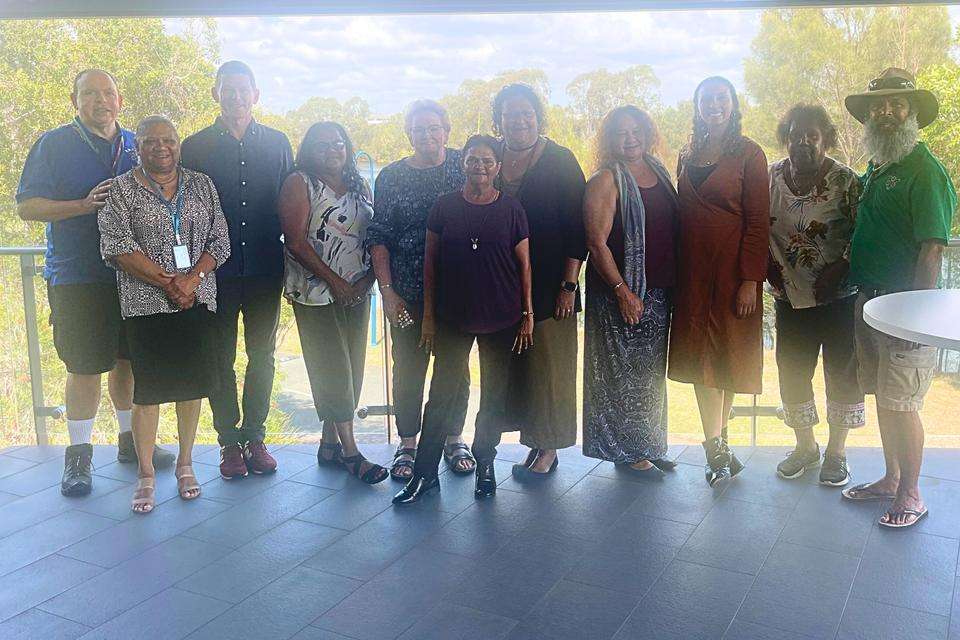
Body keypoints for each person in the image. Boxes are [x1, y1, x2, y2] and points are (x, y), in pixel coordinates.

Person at [16, 69, 174, 497]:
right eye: (90, 94)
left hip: (133, 276)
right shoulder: (54, 144)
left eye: (108, 93)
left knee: (128, 363)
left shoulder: (135, 146)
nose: (100, 101)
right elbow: (27, 207)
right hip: (78, 276)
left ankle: (129, 442)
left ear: (120, 101)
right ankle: (79, 458)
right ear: (75, 99)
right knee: (84, 368)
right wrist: (83, 206)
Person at [840, 68, 955, 529]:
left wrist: (917, 318)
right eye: (878, 106)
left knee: (904, 404)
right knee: (886, 400)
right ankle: (890, 479)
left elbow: (932, 249)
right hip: (871, 305)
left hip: (906, 313)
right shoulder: (880, 166)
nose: (886, 112)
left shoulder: (926, 171)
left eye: (897, 105)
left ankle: (911, 492)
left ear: (913, 114)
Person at [98, 115, 230, 513]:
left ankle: (186, 464)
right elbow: (116, 246)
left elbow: (219, 240)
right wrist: (167, 282)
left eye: (168, 140)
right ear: (137, 146)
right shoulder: (120, 190)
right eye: (151, 141)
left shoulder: (201, 184)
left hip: (196, 299)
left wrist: (191, 280)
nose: (161, 147)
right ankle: (145, 473)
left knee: (192, 387)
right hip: (144, 304)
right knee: (149, 390)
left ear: (179, 144)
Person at [393, 135, 533, 504]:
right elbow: (430, 264)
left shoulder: (513, 210)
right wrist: (428, 318)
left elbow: (524, 266)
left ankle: (485, 462)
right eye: (473, 159)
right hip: (453, 318)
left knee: (493, 397)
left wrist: (528, 314)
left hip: (502, 317)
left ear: (497, 167)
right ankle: (425, 474)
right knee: (440, 396)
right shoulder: (444, 207)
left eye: (488, 161)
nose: (480, 167)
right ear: (463, 163)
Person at [180, 61, 293, 480]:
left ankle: (256, 437)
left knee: (262, 356)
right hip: (213, 274)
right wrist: (185, 272)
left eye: (244, 90)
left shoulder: (278, 143)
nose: (236, 97)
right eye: (228, 89)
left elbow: (292, 205)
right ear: (216, 93)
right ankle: (229, 442)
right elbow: (181, 214)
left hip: (266, 269)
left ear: (256, 94)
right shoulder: (195, 147)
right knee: (219, 358)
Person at [668, 76, 770, 487]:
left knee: (725, 357)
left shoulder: (750, 154)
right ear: (697, 106)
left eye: (721, 99)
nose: (714, 105)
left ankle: (717, 447)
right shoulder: (687, 151)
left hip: (732, 274)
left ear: (733, 105)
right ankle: (717, 447)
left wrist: (750, 280)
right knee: (700, 358)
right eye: (706, 99)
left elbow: (759, 222)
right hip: (691, 272)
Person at [367, 100, 474, 481]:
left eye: (434, 128)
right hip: (408, 293)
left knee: (455, 369)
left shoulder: (466, 165)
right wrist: (388, 293)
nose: (427, 135)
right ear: (408, 134)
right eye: (418, 129)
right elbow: (378, 237)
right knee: (408, 369)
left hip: (459, 292)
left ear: (446, 129)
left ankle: (453, 437)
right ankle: (408, 442)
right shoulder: (392, 177)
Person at [278, 122, 387, 484]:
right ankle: (351, 453)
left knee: (353, 369)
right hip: (316, 294)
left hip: (357, 290)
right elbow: (295, 242)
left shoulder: (359, 184)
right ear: (308, 150)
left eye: (338, 143)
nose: (333, 150)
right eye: (323, 145)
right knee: (334, 370)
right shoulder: (300, 183)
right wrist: (335, 282)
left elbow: (373, 234)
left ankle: (328, 444)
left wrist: (366, 280)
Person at [767, 104, 865, 486]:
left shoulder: (846, 180)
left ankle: (837, 453)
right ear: (785, 138)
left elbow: (863, 234)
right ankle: (805, 447)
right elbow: (754, 224)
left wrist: (840, 268)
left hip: (837, 296)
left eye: (812, 135)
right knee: (792, 373)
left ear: (825, 138)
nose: (803, 142)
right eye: (795, 135)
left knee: (841, 373)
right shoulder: (770, 177)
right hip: (788, 297)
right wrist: (763, 263)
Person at [493, 83, 587, 478]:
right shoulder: (490, 157)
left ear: (538, 116)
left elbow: (578, 230)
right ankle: (532, 442)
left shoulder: (561, 159)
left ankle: (548, 448)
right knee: (519, 371)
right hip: (502, 289)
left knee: (551, 369)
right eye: (511, 114)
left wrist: (569, 286)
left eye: (526, 113)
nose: (519, 119)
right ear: (499, 120)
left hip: (551, 288)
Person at [582, 106, 679, 477]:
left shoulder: (657, 170)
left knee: (649, 375)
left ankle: (649, 444)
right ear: (610, 139)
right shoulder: (606, 179)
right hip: (622, 293)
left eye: (636, 130)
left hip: (658, 291)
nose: (631, 137)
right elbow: (596, 241)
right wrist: (623, 290)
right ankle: (627, 451)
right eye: (622, 132)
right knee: (621, 376)